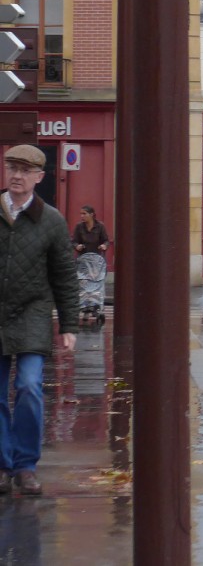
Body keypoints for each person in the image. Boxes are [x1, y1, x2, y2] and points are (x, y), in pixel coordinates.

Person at [0, 144, 77, 497]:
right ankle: (3, 465)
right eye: (11, 168)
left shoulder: (52, 221)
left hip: (32, 312)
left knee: (29, 386)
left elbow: (64, 276)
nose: (16, 175)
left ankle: (26, 465)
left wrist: (70, 325)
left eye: (24, 170)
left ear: (38, 177)